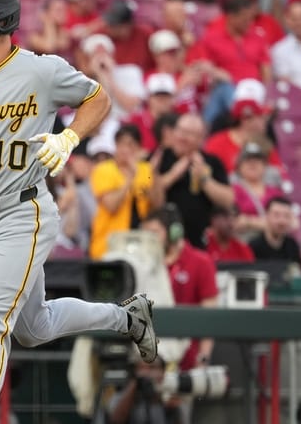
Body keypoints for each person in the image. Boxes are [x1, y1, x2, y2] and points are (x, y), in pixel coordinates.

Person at [0, 0, 158, 422]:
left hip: (25, 209)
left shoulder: (41, 69)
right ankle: (127, 318)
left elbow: (98, 99)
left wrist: (68, 138)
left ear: (5, 20)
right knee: (33, 327)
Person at [140, 205, 218, 424]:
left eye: (154, 233)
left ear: (174, 233)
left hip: (185, 365)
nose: (149, 239)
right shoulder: (145, 264)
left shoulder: (200, 262)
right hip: (148, 365)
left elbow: (210, 317)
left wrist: (202, 360)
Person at [156, 113, 234, 248]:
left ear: (201, 139)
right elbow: (143, 190)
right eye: (181, 131)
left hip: (199, 240)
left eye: (190, 134)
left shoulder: (212, 162)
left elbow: (228, 200)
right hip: (161, 238)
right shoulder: (158, 157)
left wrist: (204, 179)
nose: (183, 137)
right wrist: (172, 175)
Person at [89, 124, 164, 259]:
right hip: (108, 245)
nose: (125, 150)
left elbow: (158, 205)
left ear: (138, 148)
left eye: (131, 145)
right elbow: (111, 205)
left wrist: (155, 173)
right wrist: (130, 178)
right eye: (121, 144)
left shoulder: (146, 170)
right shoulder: (103, 169)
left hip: (140, 244)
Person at [97, 355, 180, 424]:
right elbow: (116, 420)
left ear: (163, 372)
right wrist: (135, 385)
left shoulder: (170, 394)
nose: (145, 373)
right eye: (141, 368)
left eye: (152, 367)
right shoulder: (123, 395)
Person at [248, 196, 301, 267]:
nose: (282, 221)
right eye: (276, 215)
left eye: (286, 216)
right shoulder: (253, 247)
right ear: (267, 216)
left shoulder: (293, 246)